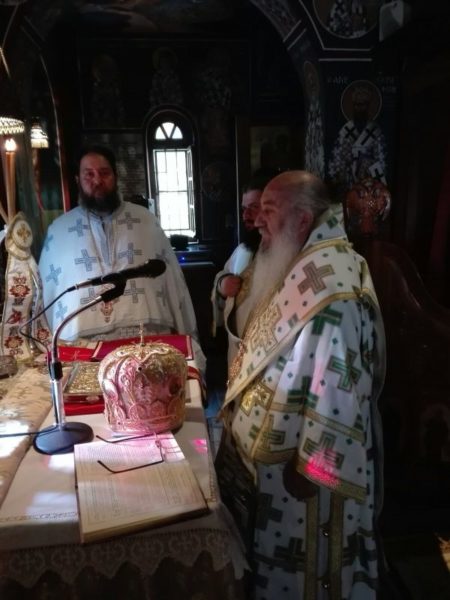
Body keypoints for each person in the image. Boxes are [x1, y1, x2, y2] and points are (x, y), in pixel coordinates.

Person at [215, 170, 386, 599]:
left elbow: (338, 382)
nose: (258, 220)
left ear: (303, 219)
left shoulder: (332, 285)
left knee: (307, 571)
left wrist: (313, 467)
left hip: (302, 476)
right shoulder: (299, 258)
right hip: (270, 461)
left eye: (269, 210)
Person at [38, 144, 205, 369]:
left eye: (104, 173)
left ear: (115, 176)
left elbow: (173, 282)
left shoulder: (145, 220)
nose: (97, 180)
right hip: (83, 347)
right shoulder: (59, 231)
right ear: (78, 179)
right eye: (89, 174)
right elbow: (47, 293)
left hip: (147, 340)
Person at [211, 169, 278, 366]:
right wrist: (222, 285)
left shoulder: (288, 253)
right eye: (244, 209)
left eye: (254, 208)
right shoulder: (242, 250)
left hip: (270, 355)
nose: (246, 215)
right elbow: (223, 276)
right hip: (238, 352)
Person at [328, 83, 387, 195]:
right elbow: (338, 157)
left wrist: (366, 164)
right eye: (357, 105)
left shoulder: (374, 130)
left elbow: (380, 159)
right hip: (350, 179)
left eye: (363, 105)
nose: (360, 108)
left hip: (368, 179)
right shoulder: (346, 129)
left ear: (368, 106)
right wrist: (343, 171)